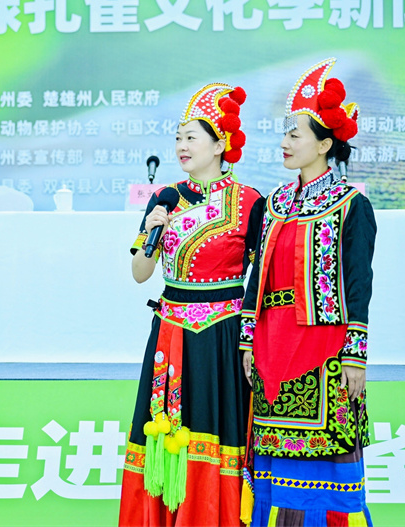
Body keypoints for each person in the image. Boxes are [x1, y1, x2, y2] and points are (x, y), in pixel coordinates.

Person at [119, 83, 266, 526]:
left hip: (221, 336)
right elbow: (140, 273)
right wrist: (153, 230)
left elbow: (260, 280)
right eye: (178, 138)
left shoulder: (250, 202)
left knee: (217, 429)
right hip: (170, 333)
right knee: (163, 430)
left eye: (191, 138)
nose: (181, 146)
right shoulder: (164, 197)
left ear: (220, 145)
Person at [239, 59, 376, 526]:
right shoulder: (273, 203)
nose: (284, 142)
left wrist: (356, 355)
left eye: (294, 135)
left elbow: (359, 282)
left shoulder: (350, 204)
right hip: (272, 344)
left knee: (326, 459)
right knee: (272, 461)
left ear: (324, 144)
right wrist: (247, 340)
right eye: (285, 133)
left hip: (325, 346)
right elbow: (256, 277)